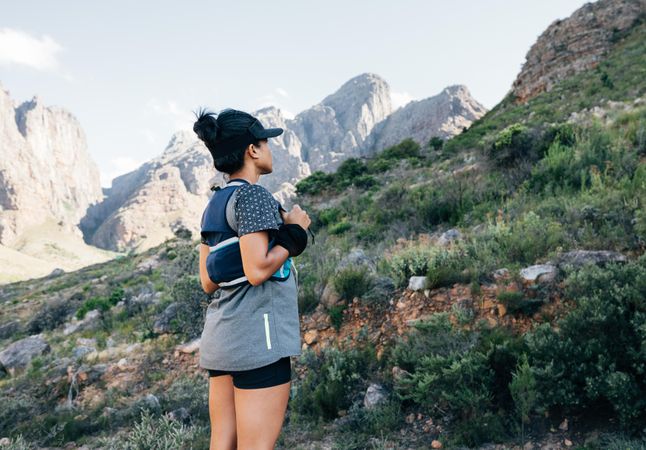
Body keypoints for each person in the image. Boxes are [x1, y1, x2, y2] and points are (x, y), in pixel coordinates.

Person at [193, 107, 311, 450]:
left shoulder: (214, 204)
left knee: (223, 445)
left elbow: (207, 280)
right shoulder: (254, 195)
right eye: (266, 142)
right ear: (252, 150)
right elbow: (258, 269)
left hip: (223, 341)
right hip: (258, 343)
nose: (270, 149)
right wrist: (295, 233)